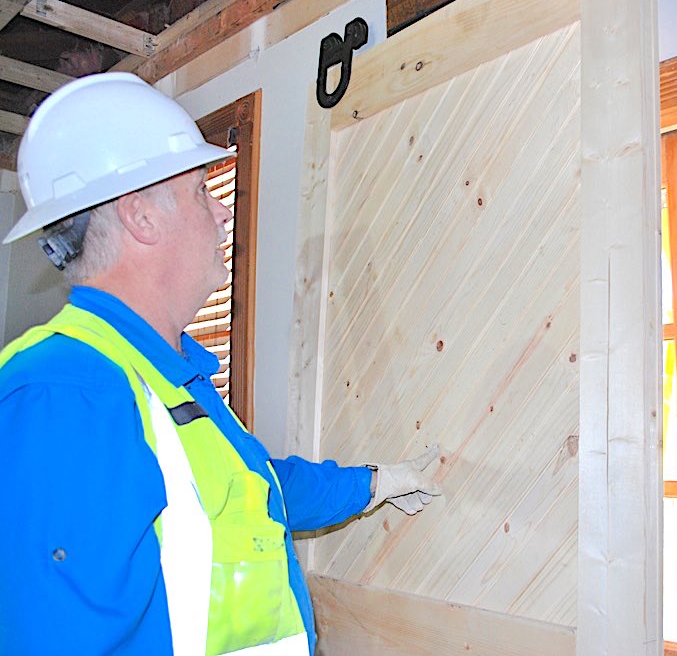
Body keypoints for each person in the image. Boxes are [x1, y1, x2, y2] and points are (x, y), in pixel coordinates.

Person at [0, 73, 443, 655]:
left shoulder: (159, 373)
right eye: (200, 191)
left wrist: (375, 484)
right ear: (141, 217)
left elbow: (248, 488)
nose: (222, 213)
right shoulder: (66, 393)